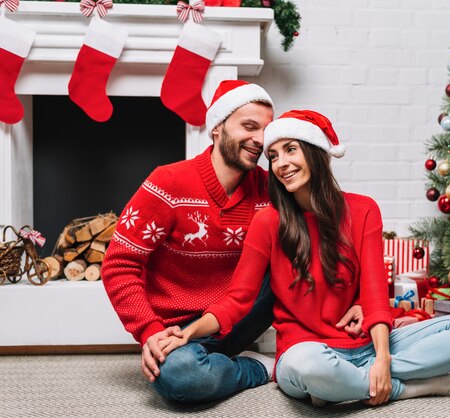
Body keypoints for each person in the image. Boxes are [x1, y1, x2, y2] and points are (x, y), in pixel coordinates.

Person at [157, 110, 450, 406]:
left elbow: (375, 293)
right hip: (306, 351)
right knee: (307, 367)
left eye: (291, 150)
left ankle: (346, 383)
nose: (281, 163)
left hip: (367, 345)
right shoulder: (268, 222)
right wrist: (190, 333)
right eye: (273, 156)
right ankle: (410, 388)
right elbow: (238, 299)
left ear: (317, 153)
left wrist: (383, 361)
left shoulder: (363, 210)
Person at [101, 81, 364, 403]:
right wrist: (150, 331)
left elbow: (330, 236)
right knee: (182, 377)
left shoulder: (272, 189)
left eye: (265, 132)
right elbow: (119, 264)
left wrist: (361, 298)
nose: (259, 140)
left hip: (244, 313)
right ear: (217, 129)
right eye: (249, 126)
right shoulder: (168, 183)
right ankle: (261, 367)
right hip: (179, 329)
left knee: (299, 247)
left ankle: (309, 353)